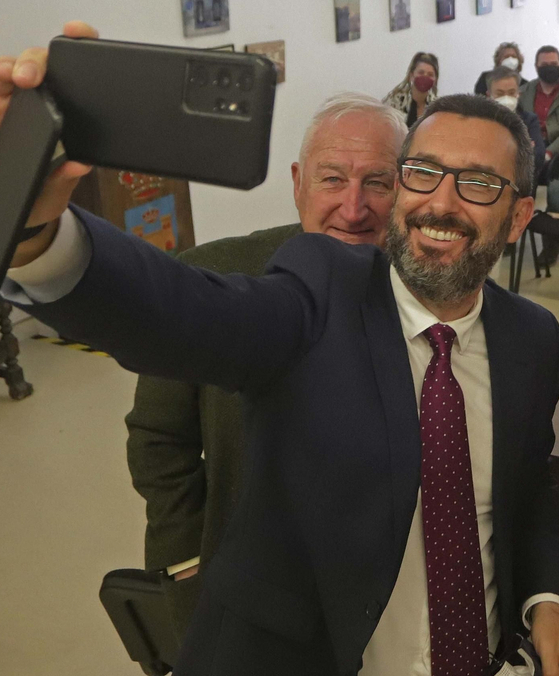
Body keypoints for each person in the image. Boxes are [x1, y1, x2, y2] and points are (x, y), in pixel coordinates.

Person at [0, 22, 559, 676]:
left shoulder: (531, 337)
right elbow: (179, 311)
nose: (439, 202)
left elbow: (528, 485)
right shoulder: (318, 293)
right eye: (421, 173)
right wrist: (33, 232)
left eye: (476, 183)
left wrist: (546, 605)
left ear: (517, 218)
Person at [127, 93, 405, 640]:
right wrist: (186, 564)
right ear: (298, 182)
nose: (354, 208)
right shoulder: (215, 278)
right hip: (247, 588)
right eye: (332, 180)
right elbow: (158, 438)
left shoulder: (428, 293)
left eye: (378, 182)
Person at [484, 68, 548, 183]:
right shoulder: (481, 122)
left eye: (511, 93)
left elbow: (538, 156)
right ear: (489, 95)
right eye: (500, 94)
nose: (507, 98)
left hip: (520, 183)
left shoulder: (529, 120)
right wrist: (522, 148)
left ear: (518, 93)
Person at [385, 51, 440, 127]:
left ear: (435, 79)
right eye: (421, 72)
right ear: (411, 75)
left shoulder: (437, 107)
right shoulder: (395, 101)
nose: (425, 77)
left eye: (430, 75)